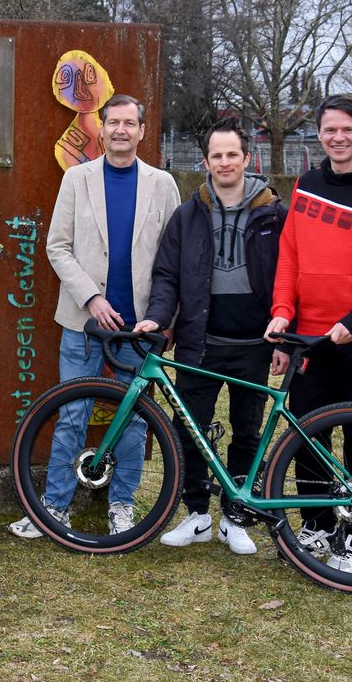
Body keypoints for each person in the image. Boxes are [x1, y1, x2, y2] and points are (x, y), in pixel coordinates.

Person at [10, 94, 180, 538]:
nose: (121, 130)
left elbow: (173, 257)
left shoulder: (163, 184)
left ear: (143, 131)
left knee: (135, 417)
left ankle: (122, 506)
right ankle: (53, 508)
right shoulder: (77, 179)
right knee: (72, 413)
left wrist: (165, 318)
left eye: (130, 123)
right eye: (113, 123)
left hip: (140, 326)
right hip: (83, 322)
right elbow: (57, 247)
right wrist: (91, 298)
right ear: (101, 129)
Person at [136, 120, 288, 554]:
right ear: (206, 162)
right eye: (216, 155)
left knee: (247, 431)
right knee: (191, 428)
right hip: (199, 342)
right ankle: (197, 514)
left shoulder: (274, 213)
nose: (224, 162)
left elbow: (288, 276)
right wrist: (158, 318)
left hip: (254, 345)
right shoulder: (188, 215)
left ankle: (235, 517)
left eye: (232, 154)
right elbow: (166, 275)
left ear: (246, 158)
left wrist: (283, 336)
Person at [265, 93, 352, 574]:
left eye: (347, 129)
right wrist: (283, 314)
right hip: (308, 338)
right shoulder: (306, 185)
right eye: (329, 130)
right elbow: (290, 258)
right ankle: (317, 525)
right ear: (319, 134)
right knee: (306, 432)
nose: (338, 138)